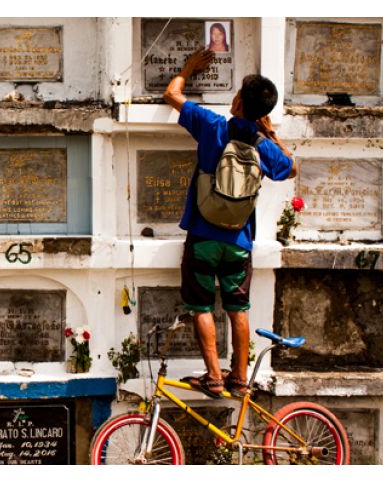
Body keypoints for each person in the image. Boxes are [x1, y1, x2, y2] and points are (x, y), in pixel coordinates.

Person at [163, 48, 296, 398]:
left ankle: (213, 377)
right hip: (239, 241)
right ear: (263, 113)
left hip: (203, 235)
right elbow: (291, 168)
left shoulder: (212, 126)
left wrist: (188, 69)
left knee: (201, 306)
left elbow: (172, 94)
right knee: (238, 308)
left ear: (236, 100)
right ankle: (238, 378)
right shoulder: (263, 146)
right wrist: (270, 134)